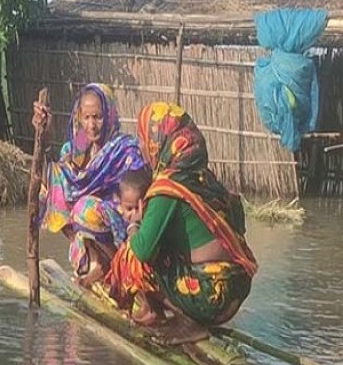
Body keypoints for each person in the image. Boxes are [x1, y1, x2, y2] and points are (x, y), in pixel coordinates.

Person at [106, 102, 258, 345]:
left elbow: (143, 250)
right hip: (236, 286)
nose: (143, 148)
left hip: (210, 297)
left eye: (145, 141)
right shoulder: (203, 177)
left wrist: (133, 226)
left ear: (158, 142)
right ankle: (177, 314)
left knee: (131, 256)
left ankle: (188, 321)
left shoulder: (167, 189)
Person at [32, 83, 145, 284]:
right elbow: (56, 177)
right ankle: (94, 261)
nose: (92, 125)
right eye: (87, 117)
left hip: (119, 225)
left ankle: (114, 263)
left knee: (84, 208)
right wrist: (44, 136)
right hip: (88, 227)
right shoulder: (79, 147)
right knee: (51, 189)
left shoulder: (125, 149)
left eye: (98, 117)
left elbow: (137, 196)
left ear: (109, 115)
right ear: (79, 117)